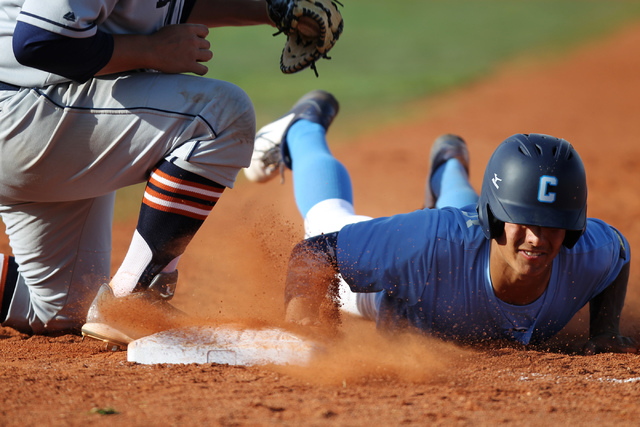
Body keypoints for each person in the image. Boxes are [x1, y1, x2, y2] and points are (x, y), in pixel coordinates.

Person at [244, 90, 638, 354]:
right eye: (524, 220)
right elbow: (316, 251)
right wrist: (306, 330)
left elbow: (619, 252)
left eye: (553, 224)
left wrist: (605, 330)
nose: (537, 238)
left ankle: (448, 163)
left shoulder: (590, 253)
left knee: (462, 216)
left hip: (462, 239)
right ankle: (305, 127)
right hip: (404, 292)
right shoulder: (427, 245)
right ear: (496, 218)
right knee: (328, 218)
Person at [0, 0, 281, 349]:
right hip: (21, 116)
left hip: (38, 118)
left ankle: (122, 299)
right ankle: (133, 297)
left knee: (64, 308)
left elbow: (165, 5)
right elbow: (38, 40)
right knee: (220, 115)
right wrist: (150, 50)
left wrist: (277, 9)